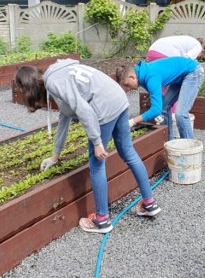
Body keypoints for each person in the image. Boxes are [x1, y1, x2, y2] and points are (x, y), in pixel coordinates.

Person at [15, 59, 161, 234]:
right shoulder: (61, 71)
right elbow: (64, 117)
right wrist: (55, 156)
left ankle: (102, 220)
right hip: (119, 99)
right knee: (128, 152)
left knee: (96, 165)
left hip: (104, 109)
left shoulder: (54, 82)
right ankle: (149, 203)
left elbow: (83, 109)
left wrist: (97, 142)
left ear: (28, 87)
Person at [116, 56, 205, 140]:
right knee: (164, 108)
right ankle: (169, 144)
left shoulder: (150, 77)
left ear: (132, 77)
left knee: (181, 114)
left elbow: (156, 109)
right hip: (180, 75)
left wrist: (132, 122)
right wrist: (158, 113)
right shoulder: (142, 75)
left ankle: (188, 149)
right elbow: (159, 101)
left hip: (193, 71)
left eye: (126, 85)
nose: (127, 89)